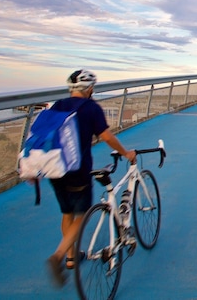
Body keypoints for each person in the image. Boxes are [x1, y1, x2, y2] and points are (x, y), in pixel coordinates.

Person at [45, 69, 137, 287]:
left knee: (67, 212)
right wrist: (126, 153)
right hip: (78, 171)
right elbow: (106, 136)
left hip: (55, 170)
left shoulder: (58, 105)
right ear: (89, 89)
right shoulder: (91, 108)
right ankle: (58, 255)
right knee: (81, 215)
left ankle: (71, 258)